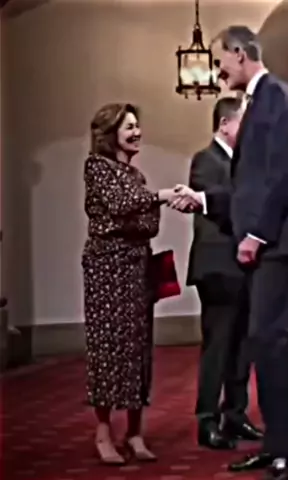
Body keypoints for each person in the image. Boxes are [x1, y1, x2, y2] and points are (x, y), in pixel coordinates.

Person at [174, 26, 288, 480]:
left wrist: (256, 234)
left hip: (279, 242)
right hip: (271, 240)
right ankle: (276, 444)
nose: (218, 73)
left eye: (220, 61)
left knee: (270, 342)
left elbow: (281, 174)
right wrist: (204, 200)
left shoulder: (277, 97)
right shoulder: (259, 101)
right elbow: (249, 184)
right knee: (264, 342)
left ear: (239, 53)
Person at [81, 103, 186, 464]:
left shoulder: (135, 175)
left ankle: (135, 432)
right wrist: (159, 197)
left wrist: (144, 208)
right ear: (110, 133)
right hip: (107, 270)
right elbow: (120, 204)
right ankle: (103, 433)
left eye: (137, 125)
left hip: (137, 266)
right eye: (128, 126)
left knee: (138, 350)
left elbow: (147, 225)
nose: (137, 132)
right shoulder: (96, 166)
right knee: (109, 349)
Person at [187, 97, 262, 450]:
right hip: (218, 266)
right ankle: (207, 419)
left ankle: (235, 414)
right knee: (218, 345)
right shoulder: (206, 159)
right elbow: (219, 199)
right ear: (224, 124)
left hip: (245, 266)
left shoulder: (243, 162)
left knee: (242, 346)